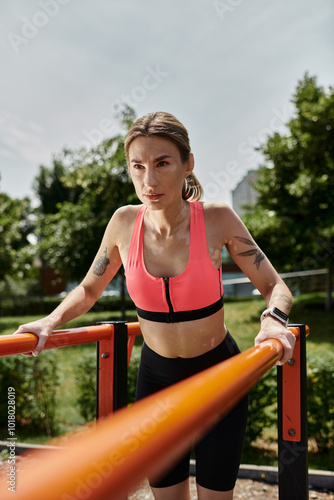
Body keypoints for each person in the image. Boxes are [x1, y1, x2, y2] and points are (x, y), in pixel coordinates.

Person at [15, 112, 295, 500]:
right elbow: (88, 289)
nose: (149, 180)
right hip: (156, 381)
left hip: (218, 376)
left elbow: (274, 285)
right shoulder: (122, 224)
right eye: (138, 166)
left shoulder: (217, 219)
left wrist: (274, 320)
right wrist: (51, 321)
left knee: (216, 495)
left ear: (187, 164)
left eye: (163, 163)